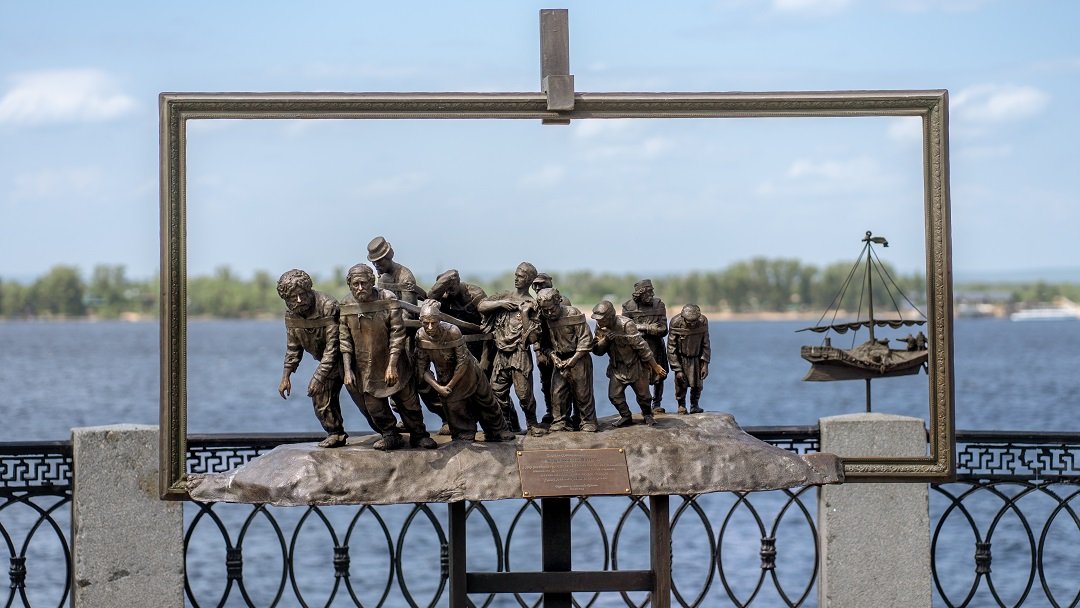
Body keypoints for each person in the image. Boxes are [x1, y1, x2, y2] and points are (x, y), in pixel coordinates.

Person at [338, 263, 436, 451]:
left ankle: (419, 435)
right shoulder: (346, 305)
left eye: (364, 283)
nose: (360, 288)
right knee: (375, 408)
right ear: (350, 285)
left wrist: (392, 365)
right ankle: (390, 435)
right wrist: (348, 370)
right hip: (365, 366)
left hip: (394, 361)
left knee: (409, 403)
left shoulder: (387, 298)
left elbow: (397, 333)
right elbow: (345, 340)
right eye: (355, 284)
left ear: (372, 282)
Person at [414, 301, 517, 443]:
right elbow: (422, 368)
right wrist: (439, 387)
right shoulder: (420, 336)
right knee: (454, 406)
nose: (430, 327)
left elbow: (462, 362)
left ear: (440, 320)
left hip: (468, 370)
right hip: (445, 374)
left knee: (485, 400)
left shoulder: (452, 332)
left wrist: (450, 385)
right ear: (421, 321)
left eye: (434, 323)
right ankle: (463, 434)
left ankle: (497, 430)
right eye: (426, 323)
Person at [276, 269, 348, 448]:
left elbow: (333, 346)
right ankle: (336, 433)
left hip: (348, 357)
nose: (299, 300)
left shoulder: (327, 306)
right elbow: (293, 348)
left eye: (302, 294)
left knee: (368, 400)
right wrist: (286, 376)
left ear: (309, 290)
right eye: (293, 298)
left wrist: (318, 376)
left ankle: (390, 432)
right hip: (328, 362)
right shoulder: (292, 315)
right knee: (319, 394)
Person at [478, 262, 542, 435]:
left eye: (520, 276)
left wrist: (525, 314)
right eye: (516, 275)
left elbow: (533, 338)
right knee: (496, 391)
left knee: (524, 394)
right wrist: (501, 304)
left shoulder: (533, 304)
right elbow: (481, 306)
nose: (516, 278)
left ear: (529, 280)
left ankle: (532, 424)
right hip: (501, 354)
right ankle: (504, 425)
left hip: (520, 354)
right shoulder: (504, 296)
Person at [592, 300, 668, 427]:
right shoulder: (600, 327)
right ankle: (626, 416)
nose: (599, 322)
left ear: (610, 317)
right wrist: (606, 340)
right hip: (617, 368)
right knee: (614, 395)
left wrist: (655, 366)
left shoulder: (626, 325)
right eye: (597, 320)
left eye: (602, 320)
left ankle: (648, 415)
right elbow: (597, 351)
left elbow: (642, 347)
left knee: (644, 396)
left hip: (635, 366)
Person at [535, 288, 598, 432]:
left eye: (552, 309)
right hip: (559, 359)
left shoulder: (572, 313)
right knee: (557, 393)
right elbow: (544, 344)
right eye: (545, 310)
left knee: (582, 392)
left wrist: (574, 359)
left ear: (558, 302)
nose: (549, 313)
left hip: (579, 358)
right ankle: (560, 421)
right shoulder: (544, 318)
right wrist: (553, 357)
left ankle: (588, 421)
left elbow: (586, 339)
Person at [622, 279, 669, 414]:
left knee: (660, 374)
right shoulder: (628, 307)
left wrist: (639, 327)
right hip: (637, 348)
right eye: (649, 292)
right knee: (640, 376)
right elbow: (625, 328)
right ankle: (645, 405)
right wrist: (650, 327)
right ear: (640, 293)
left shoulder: (659, 305)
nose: (652, 294)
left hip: (656, 345)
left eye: (652, 291)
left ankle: (657, 403)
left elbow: (663, 329)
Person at [667, 304, 711, 414]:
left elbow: (706, 344)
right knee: (681, 383)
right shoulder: (675, 322)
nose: (692, 324)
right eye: (689, 321)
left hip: (697, 359)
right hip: (681, 359)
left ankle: (694, 405)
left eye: (694, 321)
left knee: (697, 385)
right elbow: (671, 347)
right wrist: (677, 369)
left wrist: (705, 364)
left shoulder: (703, 322)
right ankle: (681, 405)